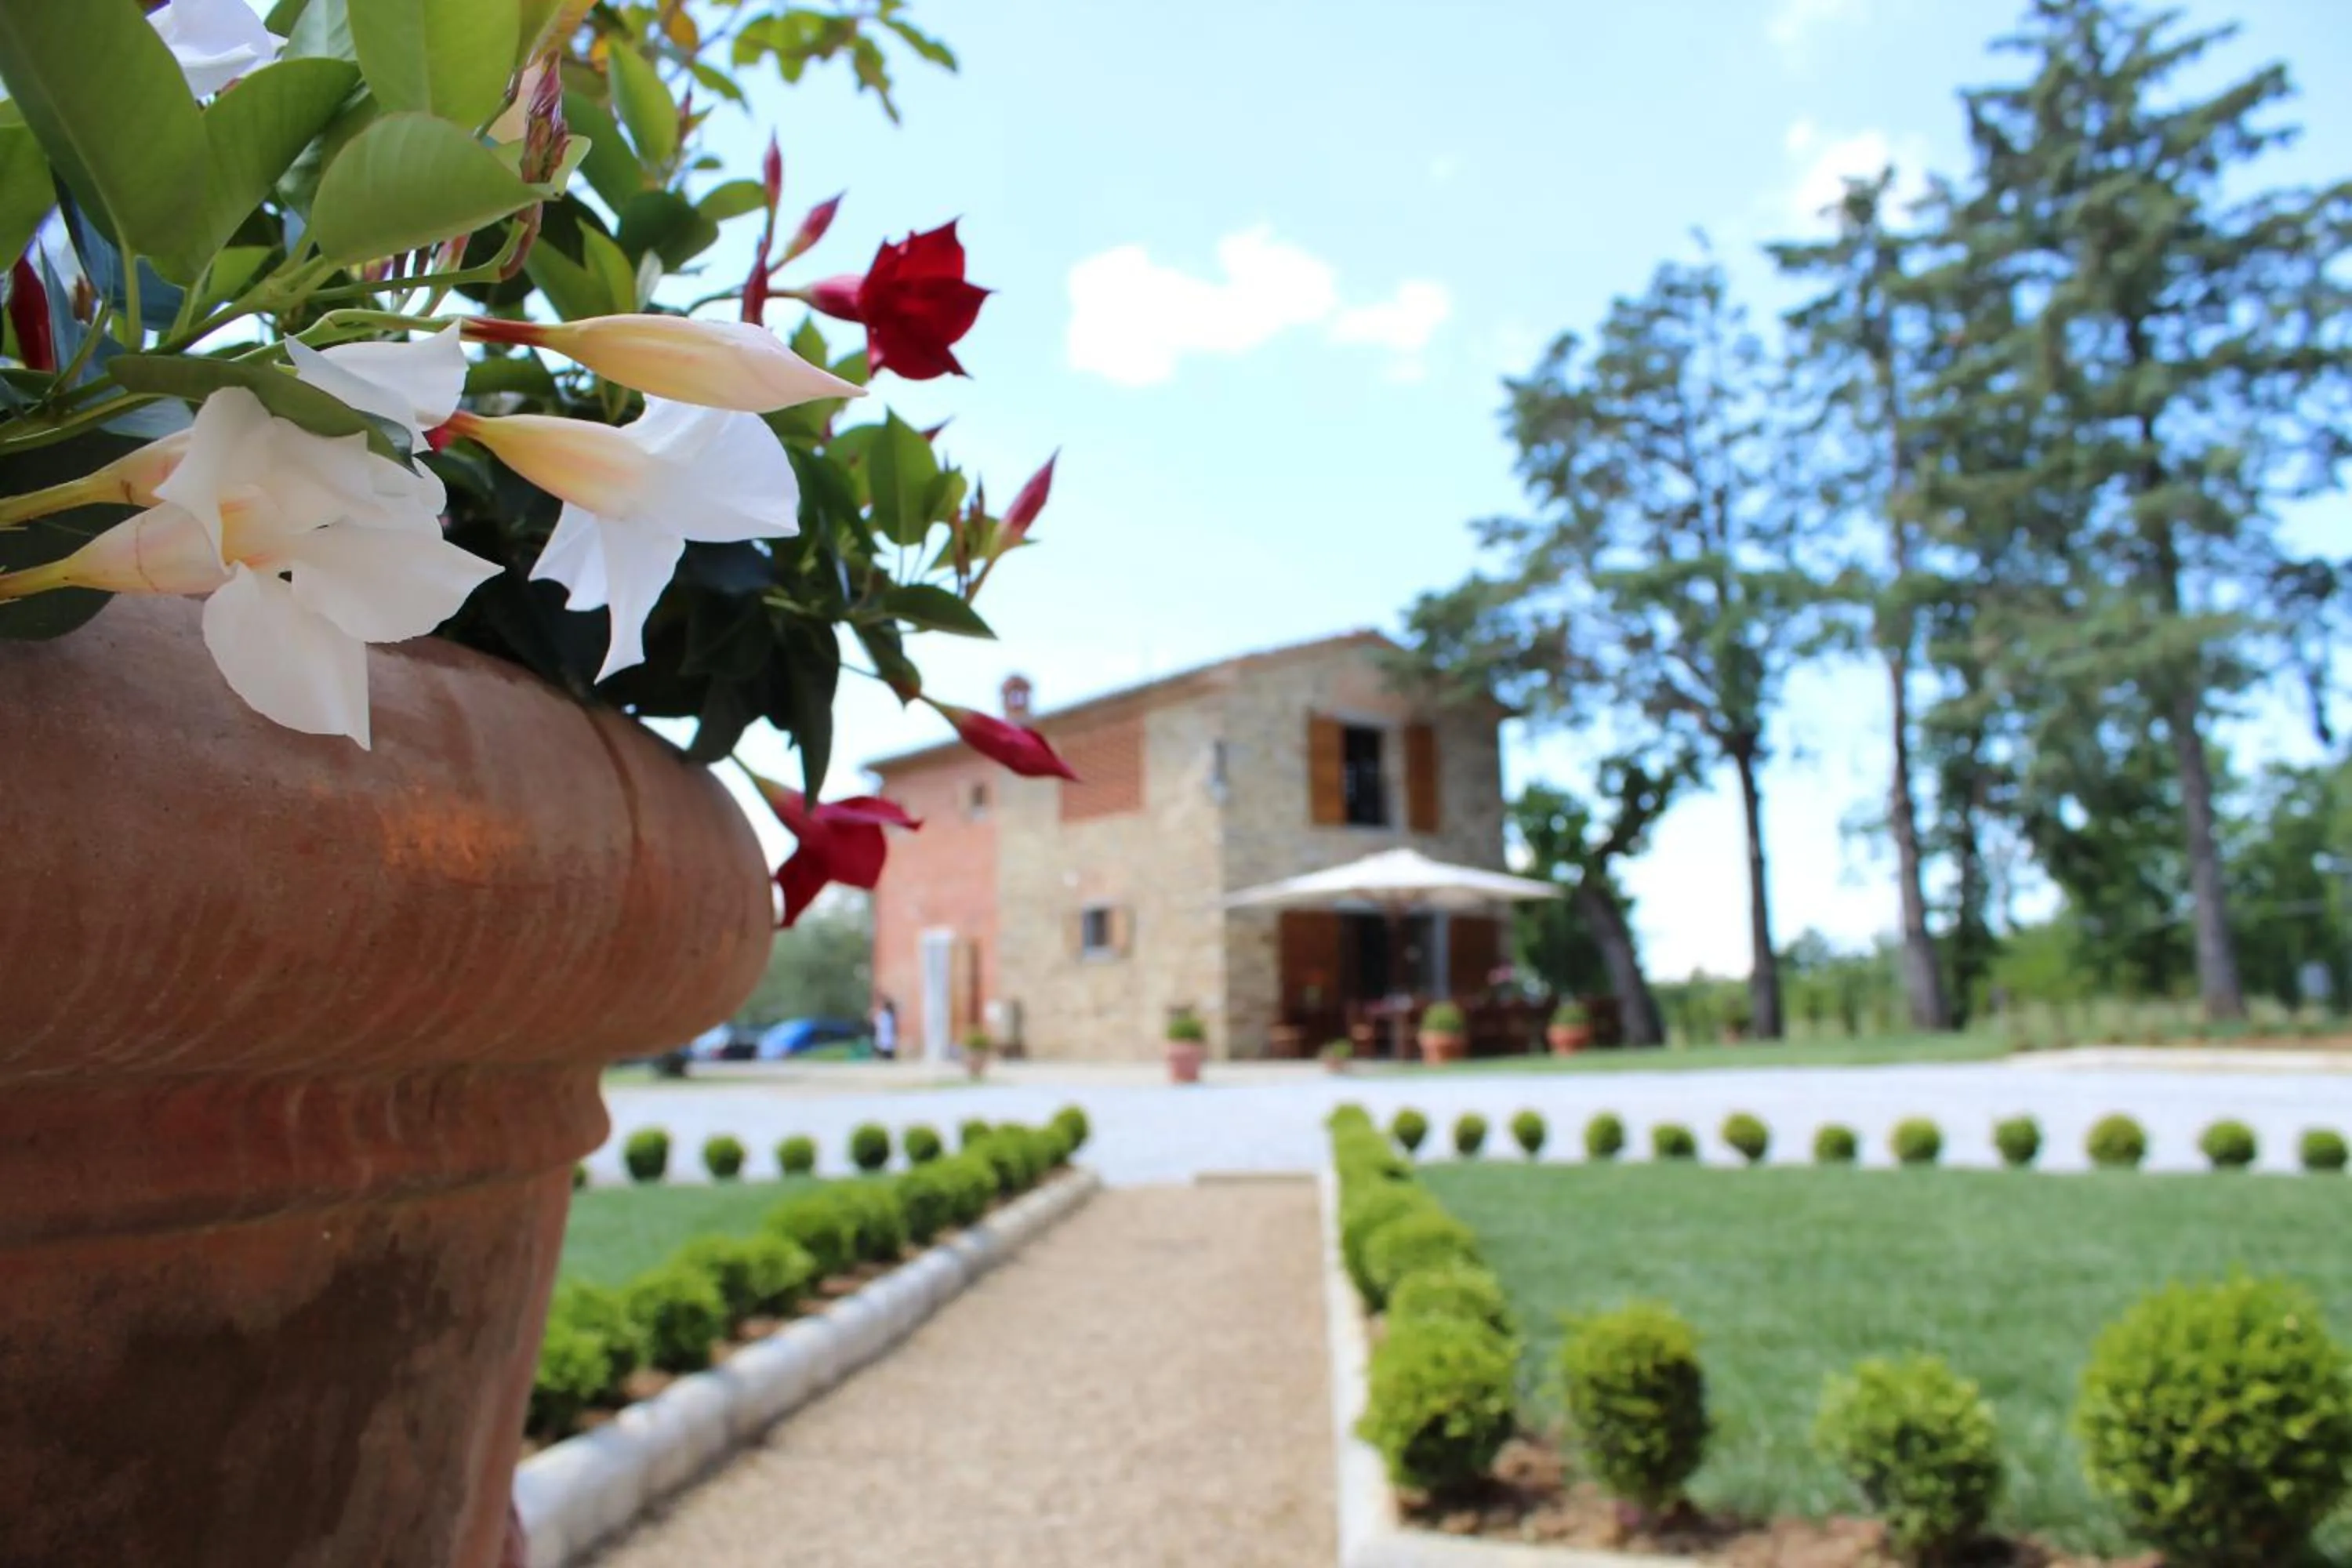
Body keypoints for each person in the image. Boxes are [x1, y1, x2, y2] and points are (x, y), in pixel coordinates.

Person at [873, 997, 898, 1061]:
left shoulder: (887, 1015)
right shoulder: (886, 1015)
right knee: (887, 1054)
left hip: (886, 1039)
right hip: (886, 1039)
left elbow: (877, 1024)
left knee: (887, 1054)